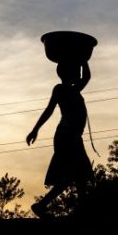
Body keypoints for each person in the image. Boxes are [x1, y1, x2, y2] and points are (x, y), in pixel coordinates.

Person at [26, 61, 94, 219]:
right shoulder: (61, 89)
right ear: (68, 73)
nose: (78, 73)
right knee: (75, 174)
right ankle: (43, 205)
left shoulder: (75, 89)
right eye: (75, 70)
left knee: (79, 174)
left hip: (74, 136)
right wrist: (35, 129)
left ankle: (44, 206)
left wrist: (83, 59)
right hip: (66, 136)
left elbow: (87, 76)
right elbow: (49, 109)